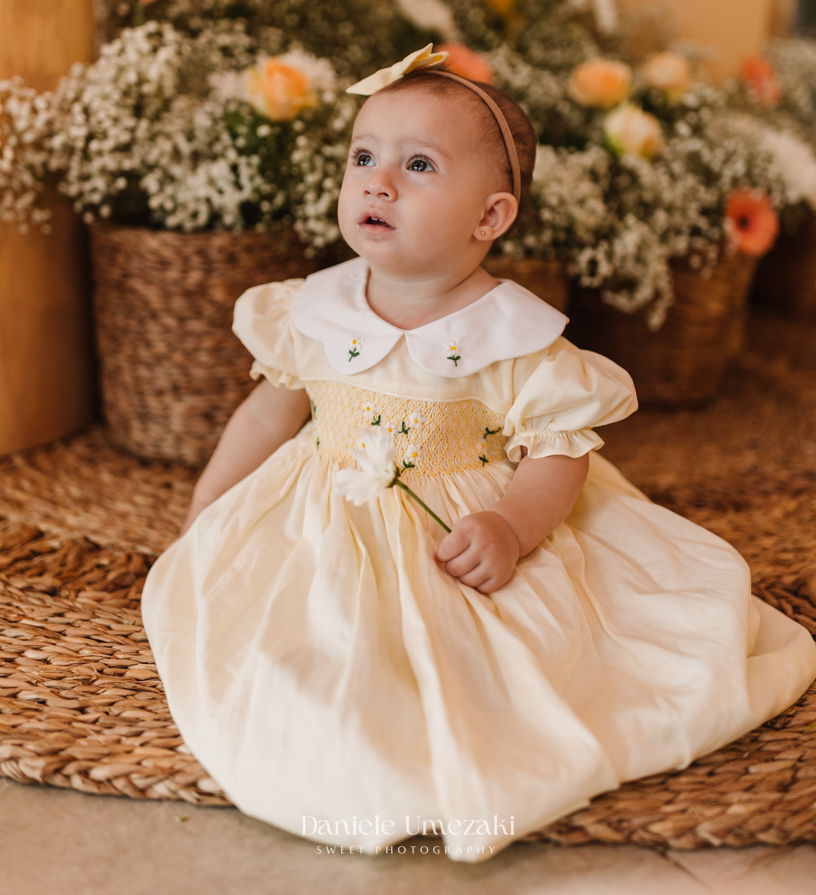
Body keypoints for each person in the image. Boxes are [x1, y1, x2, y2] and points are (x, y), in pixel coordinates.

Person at [141, 44, 816, 862]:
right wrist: (208, 508)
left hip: (459, 521)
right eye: (363, 157)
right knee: (300, 639)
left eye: (418, 165)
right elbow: (264, 417)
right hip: (322, 511)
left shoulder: (511, 337)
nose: (377, 183)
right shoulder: (313, 309)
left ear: (490, 218)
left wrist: (512, 526)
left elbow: (557, 454)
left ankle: (441, 741)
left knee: (488, 660)